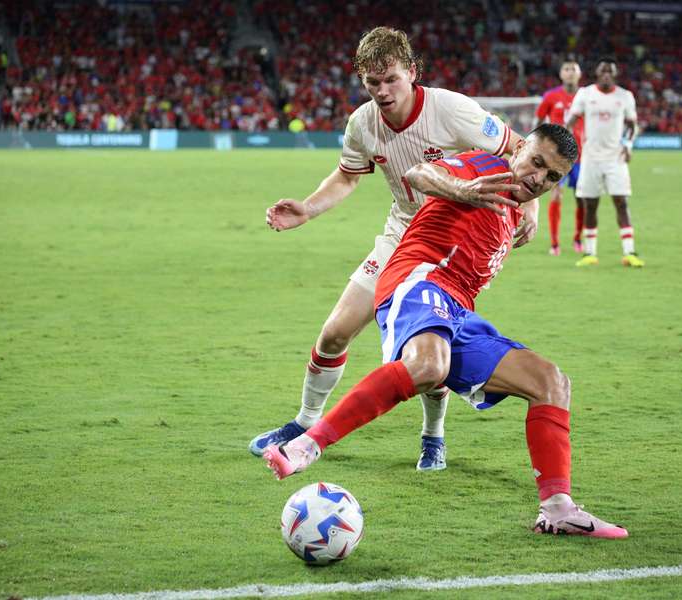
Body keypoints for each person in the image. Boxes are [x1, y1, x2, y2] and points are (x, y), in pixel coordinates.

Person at [264, 124, 629, 539]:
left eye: (551, 177)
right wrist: (465, 190)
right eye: (536, 163)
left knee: (552, 382)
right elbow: (420, 174)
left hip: (458, 311)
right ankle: (307, 444)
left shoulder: (512, 210)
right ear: (521, 146)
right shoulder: (483, 167)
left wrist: (524, 210)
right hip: (418, 280)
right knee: (427, 365)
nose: (538, 179)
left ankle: (558, 508)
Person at [249, 27, 536, 472]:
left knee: (426, 347)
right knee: (334, 333)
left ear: (413, 73)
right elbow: (347, 176)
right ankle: (305, 423)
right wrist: (307, 209)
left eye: (391, 80)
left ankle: (433, 436)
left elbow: (520, 149)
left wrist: (530, 208)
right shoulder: (363, 123)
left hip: (448, 246)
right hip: (399, 235)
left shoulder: (452, 110)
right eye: (371, 83)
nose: (382, 91)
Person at [564, 58, 644, 268]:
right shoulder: (586, 94)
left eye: (610, 71)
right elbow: (570, 122)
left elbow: (632, 125)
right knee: (590, 204)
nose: (607, 74)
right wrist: (565, 146)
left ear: (615, 75)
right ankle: (590, 253)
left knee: (621, 202)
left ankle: (630, 252)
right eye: (603, 71)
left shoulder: (625, 96)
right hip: (590, 159)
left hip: (615, 159)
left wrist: (628, 145)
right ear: (597, 74)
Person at [535, 59, 585, 256]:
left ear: (579, 73)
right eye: (566, 69)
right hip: (557, 158)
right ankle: (555, 243)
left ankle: (578, 239)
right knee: (556, 195)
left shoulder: (587, 96)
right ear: (561, 74)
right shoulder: (551, 96)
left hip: (582, 157)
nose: (570, 72)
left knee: (582, 199)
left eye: (574, 69)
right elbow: (539, 121)